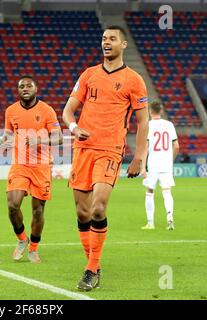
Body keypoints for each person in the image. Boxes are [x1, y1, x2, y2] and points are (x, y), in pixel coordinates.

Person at [62, 26, 149, 291]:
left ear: (124, 45)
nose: (106, 42)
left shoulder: (134, 79)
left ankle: (90, 270)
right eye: (103, 39)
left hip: (110, 150)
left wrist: (139, 157)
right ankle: (94, 263)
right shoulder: (89, 75)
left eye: (112, 39)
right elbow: (67, 112)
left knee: (98, 207)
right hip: (83, 149)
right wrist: (75, 128)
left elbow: (143, 120)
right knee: (82, 211)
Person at [2, 75, 63, 263]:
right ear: (18, 90)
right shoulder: (11, 111)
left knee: (38, 211)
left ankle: (34, 248)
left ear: (36, 89)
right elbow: (8, 132)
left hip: (42, 166)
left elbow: (59, 138)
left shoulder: (46, 111)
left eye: (29, 85)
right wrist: (7, 140)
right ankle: (22, 239)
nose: (25, 88)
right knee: (13, 205)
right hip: (20, 164)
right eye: (21, 86)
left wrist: (40, 140)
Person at [140, 101, 180, 231]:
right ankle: (170, 217)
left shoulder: (148, 126)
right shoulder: (169, 125)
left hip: (153, 164)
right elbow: (177, 146)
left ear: (150, 112)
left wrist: (142, 167)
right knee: (167, 191)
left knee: (150, 191)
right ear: (161, 111)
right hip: (166, 164)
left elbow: (145, 147)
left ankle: (150, 223)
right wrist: (170, 160)